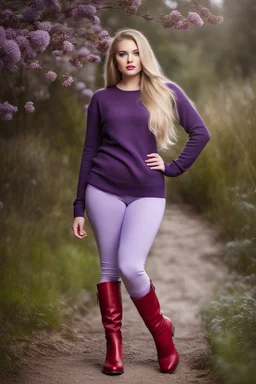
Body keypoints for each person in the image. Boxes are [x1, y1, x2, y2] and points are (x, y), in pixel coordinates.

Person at [72, 28, 211, 376]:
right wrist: (78, 207)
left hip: (147, 192)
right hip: (102, 188)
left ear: (143, 54)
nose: (129, 59)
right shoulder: (102, 99)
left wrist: (173, 167)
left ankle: (162, 334)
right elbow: (89, 151)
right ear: (114, 60)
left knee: (131, 266)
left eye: (134, 52)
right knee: (108, 268)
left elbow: (200, 132)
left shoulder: (165, 92)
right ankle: (113, 348)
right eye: (122, 54)